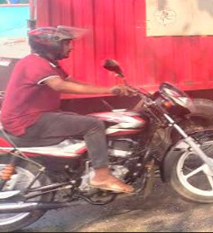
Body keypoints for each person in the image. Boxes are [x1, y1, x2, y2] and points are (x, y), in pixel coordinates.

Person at [0, 26, 136, 193]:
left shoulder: (50, 64)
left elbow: (75, 82)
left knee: (91, 119)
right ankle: (102, 176)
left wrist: (110, 88)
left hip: (38, 116)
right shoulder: (34, 63)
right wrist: (108, 91)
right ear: (50, 44)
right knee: (93, 125)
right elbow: (60, 86)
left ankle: (80, 169)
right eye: (66, 43)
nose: (70, 47)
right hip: (26, 121)